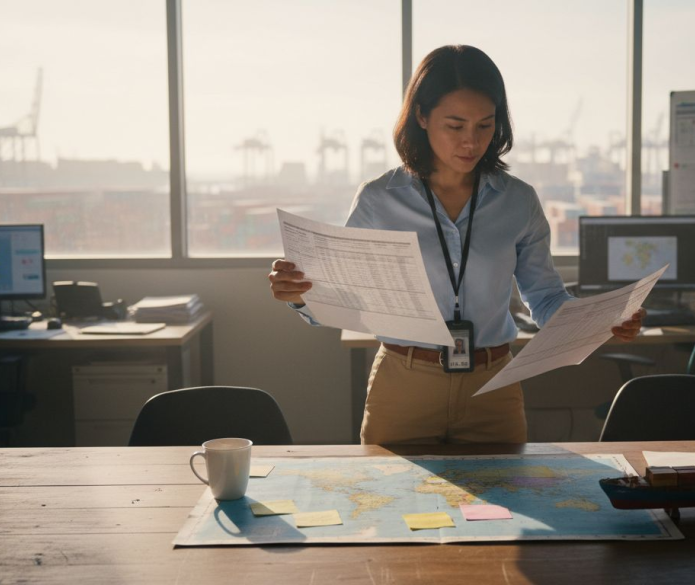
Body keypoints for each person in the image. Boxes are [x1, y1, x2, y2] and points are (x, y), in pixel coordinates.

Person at [270, 45, 644, 445]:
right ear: (421, 116)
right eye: (455, 125)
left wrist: (600, 319)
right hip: (405, 383)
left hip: (492, 385)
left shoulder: (518, 201)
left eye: (485, 125)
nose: (472, 141)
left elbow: (546, 297)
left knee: (508, 505)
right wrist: (298, 293)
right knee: (394, 504)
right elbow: (345, 296)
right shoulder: (380, 199)